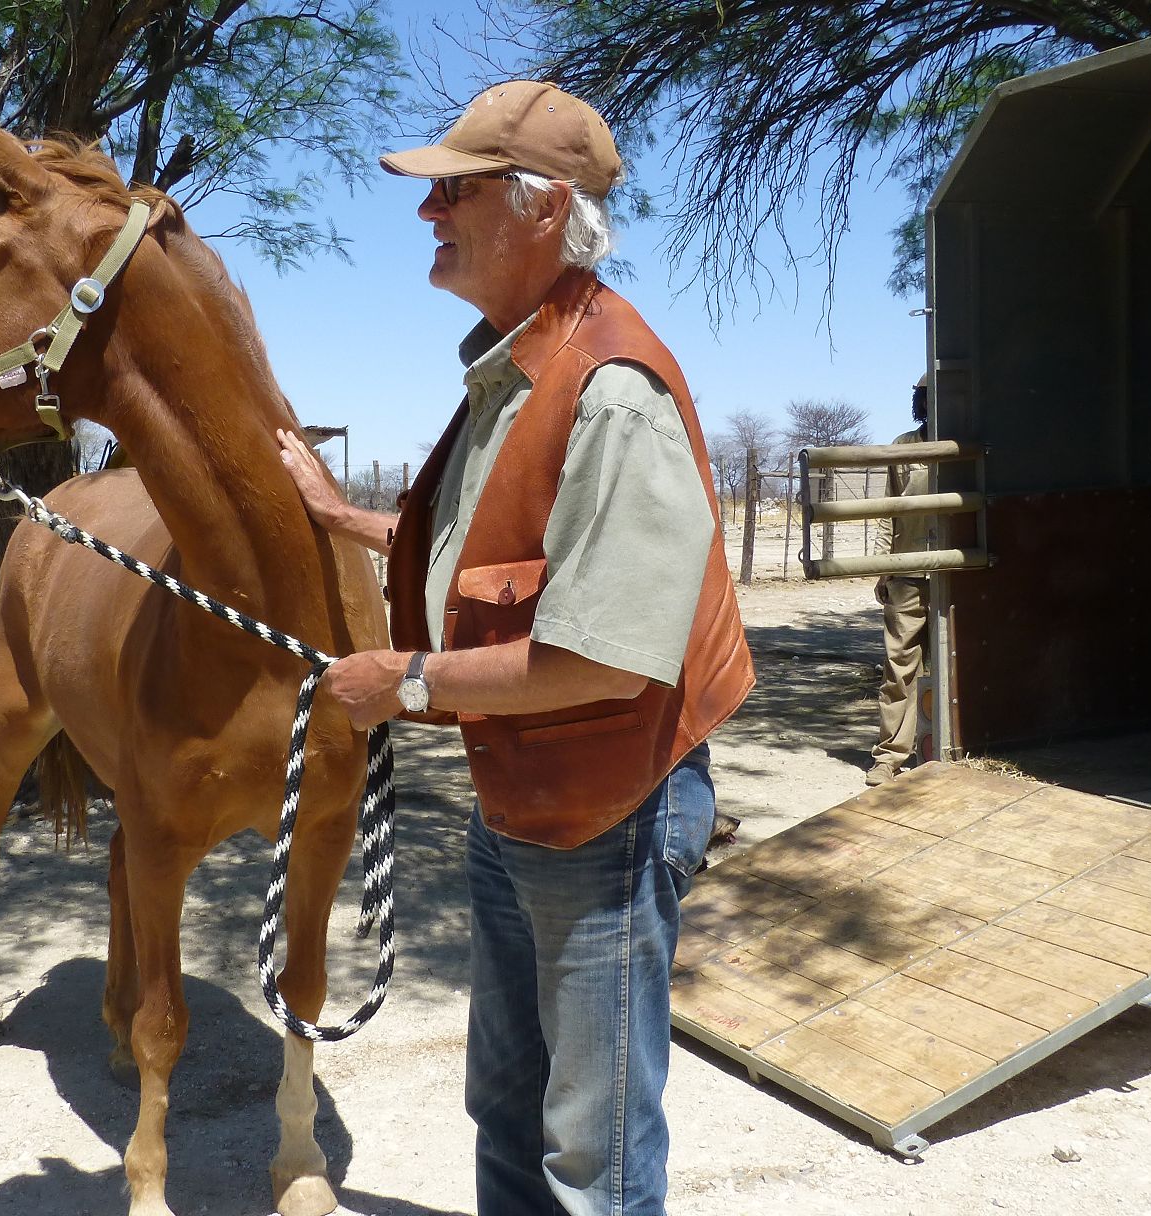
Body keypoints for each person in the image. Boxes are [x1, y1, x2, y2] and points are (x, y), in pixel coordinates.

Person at [274, 81, 753, 1216]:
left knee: (594, 1152)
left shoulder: (611, 388)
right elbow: (507, 549)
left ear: (542, 209)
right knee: (508, 1105)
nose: (430, 214)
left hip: (609, 811)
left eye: (456, 190)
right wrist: (352, 521)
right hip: (525, 799)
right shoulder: (523, 364)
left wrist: (404, 682)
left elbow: (607, 659)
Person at [868, 378, 934, 786]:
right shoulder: (904, 445)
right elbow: (886, 512)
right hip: (908, 574)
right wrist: (882, 567)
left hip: (956, 571)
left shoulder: (968, 446)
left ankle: (953, 748)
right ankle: (890, 756)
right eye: (928, 396)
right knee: (899, 669)